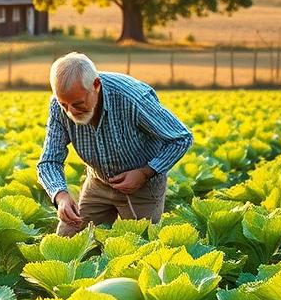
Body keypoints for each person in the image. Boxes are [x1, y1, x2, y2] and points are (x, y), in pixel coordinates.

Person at [36, 52, 192, 236]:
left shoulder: (132, 98)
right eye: (64, 104)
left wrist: (145, 173)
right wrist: (60, 196)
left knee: (141, 247)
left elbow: (181, 138)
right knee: (67, 239)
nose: (70, 111)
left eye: (78, 104)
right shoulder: (58, 105)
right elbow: (49, 161)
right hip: (98, 181)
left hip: (142, 185)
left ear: (95, 85)